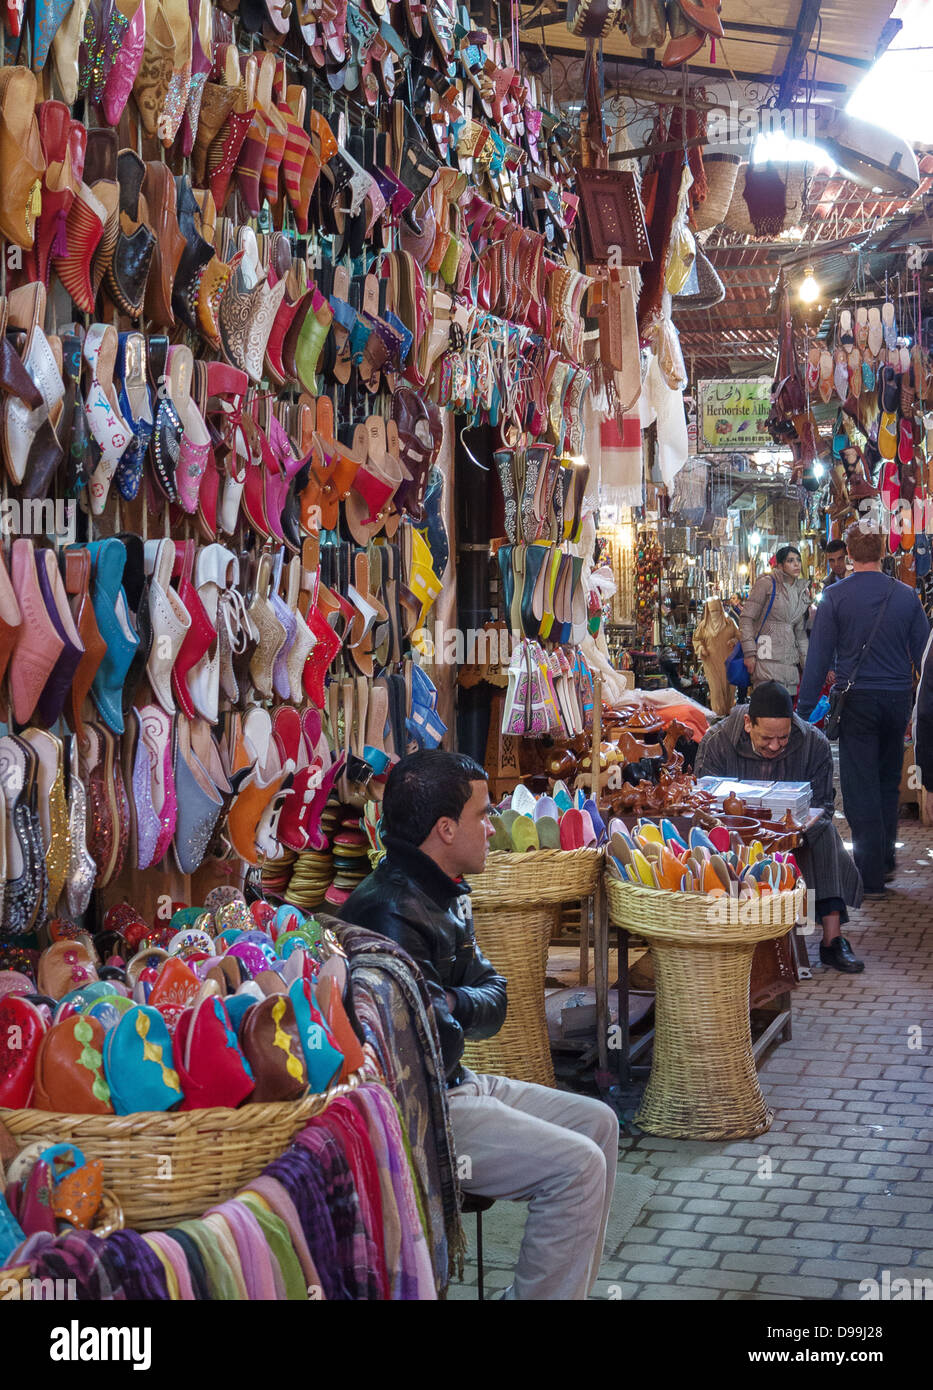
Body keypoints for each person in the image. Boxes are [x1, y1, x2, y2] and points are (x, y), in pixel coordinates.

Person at [339, 750, 620, 1301]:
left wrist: (450, 999)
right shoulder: (391, 910)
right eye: (482, 815)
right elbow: (438, 1032)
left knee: (600, 1125)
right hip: (422, 1107)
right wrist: (457, 1006)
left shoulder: (442, 892)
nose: (491, 829)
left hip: (455, 1079)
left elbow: (495, 999)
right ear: (445, 829)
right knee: (578, 1167)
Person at [797, 520, 930, 899]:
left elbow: (820, 658)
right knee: (888, 780)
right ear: (885, 551)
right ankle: (884, 860)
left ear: (850, 554)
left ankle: (870, 873)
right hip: (896, 700)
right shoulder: (906, 597)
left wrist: (803, 711)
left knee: (859, 786)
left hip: (856, 702)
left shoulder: (836, 598)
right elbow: (926, 656)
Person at [695, 681, 865, 973]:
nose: (774, 746)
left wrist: (797, 831)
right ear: (748, 724)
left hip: (796, 832)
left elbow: (824, 805)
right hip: (733, 834)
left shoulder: (814, 743)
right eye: (767, 739)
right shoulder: (718, 741)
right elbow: (702, 802)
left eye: (783, 739)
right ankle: (720, 930)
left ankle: (832, 940)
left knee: (826, 834)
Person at [738, 544, 810, 695]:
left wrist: (806, 662)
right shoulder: (766, 584)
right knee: (768, 709)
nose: (796, 564)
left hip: (789, 662)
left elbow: (800, 632)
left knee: (786, 712)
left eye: (798, 559)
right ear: (780, 565)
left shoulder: (801, 591)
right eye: (790, 560)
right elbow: (746, 619)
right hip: (766, 654)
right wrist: (749, 653)